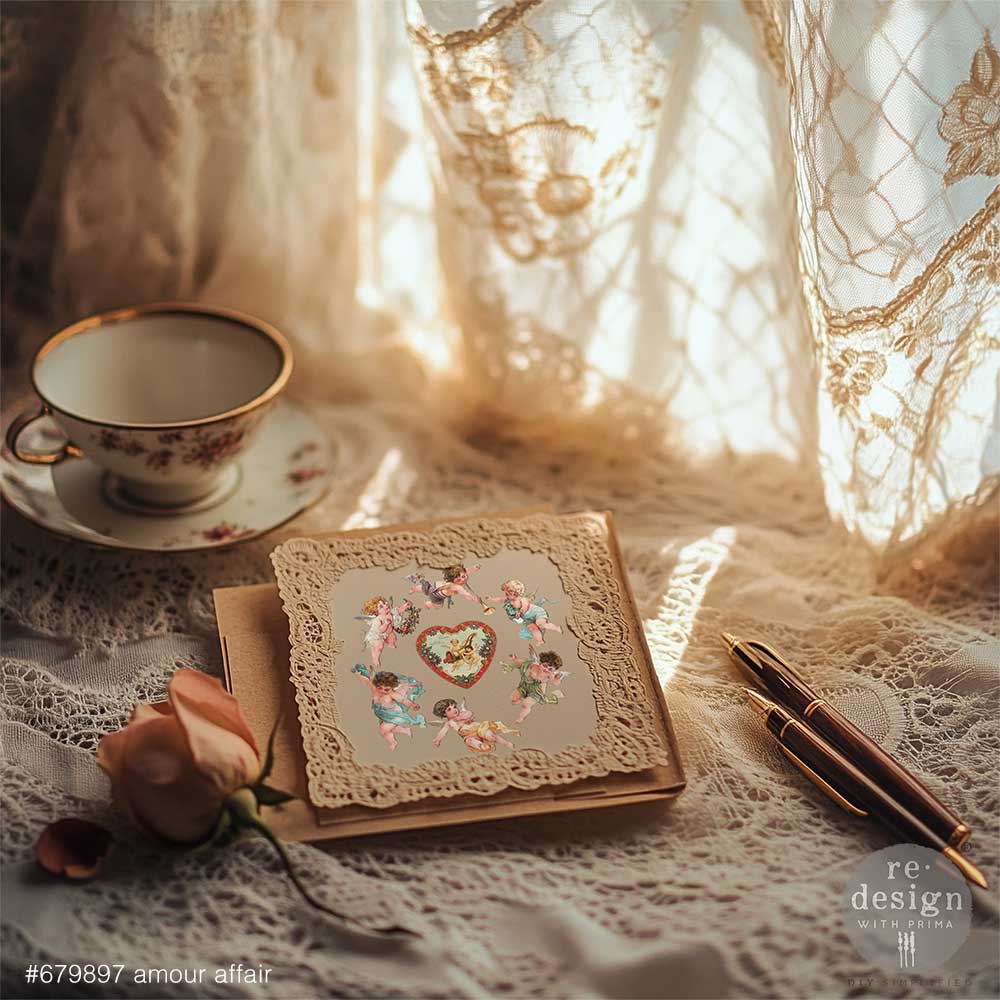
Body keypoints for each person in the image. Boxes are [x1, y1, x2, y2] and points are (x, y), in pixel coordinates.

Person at [351, 663, 425, 749]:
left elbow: (403, 700)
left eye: (386, 689)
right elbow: (366, 682)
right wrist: (357, 675)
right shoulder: (375, 688)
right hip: (382, 713)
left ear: (392, 688)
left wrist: (412, 705)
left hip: (394, 714)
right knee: (386, 729)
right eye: (380, 688)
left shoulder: (392, 694)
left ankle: (393, 742)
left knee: (383, 731)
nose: (382, 691)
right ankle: (404, 730)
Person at [503, 649, 568, 724]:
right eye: (545, 666)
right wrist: (515, 659)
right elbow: (523, 663)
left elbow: (555, 683)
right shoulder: (534, 666)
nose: (546, 669)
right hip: (525, 685)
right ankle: (519, 698)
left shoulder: (549, 675)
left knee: (526, 704)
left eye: (550, 669)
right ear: (540, 663)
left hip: (537, 691)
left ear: (553, 670)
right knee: (513, 699)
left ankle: (521, 717)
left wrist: (557, 678)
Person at [486, 579, 562, 643]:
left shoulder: (522, 599)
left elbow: (525, 606)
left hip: (535, 613)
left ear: (515, 593)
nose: (505, 595)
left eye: (507, 593)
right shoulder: (509, 600)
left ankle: (556, 628)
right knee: (532, 628)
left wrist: (520, 612)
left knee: (540, 624)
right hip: (526, 618)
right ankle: (540, 640)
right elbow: (500, 599)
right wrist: (491, 598)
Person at [431, 697, 518, 753]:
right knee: (470, 742)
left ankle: (506, 743)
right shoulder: (450, 723)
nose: (454, 710)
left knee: (490, 736)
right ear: (444, 714)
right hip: (468, 736)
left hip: (478, 729)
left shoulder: (463, 714)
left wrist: (464, 712)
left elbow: (469, 714)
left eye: (454, 707)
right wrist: (438, 740)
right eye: (449, 709)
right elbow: (443, 731)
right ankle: (483, 747)